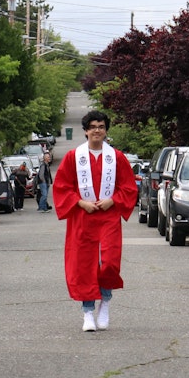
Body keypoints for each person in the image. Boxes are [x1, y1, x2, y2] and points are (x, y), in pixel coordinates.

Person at [53, 110, 137, 332]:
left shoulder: (117, 157)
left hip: (108, 216)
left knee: (109, 262)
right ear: (86, 131)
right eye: (93, 127)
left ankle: (105, 303)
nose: (97, 130)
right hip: (83, 217)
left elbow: (128, 188)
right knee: (84, 265)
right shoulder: (74, 157)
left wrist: (113, 200)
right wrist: (81, 203)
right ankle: (88, 312)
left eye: (101, 126)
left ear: (106, 130)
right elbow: (62, 187)